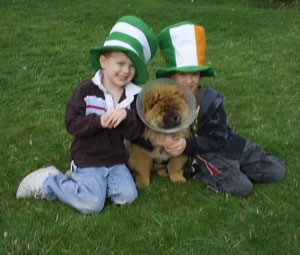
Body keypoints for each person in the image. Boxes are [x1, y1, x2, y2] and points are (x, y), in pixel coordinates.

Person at [15, 15, 158, 214]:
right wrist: (99, 121)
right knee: (92, 204)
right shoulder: (86, 91)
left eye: (132, 66)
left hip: (115, 161)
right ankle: (49, 181)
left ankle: (90, 185)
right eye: (120, 63)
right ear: (103, 61)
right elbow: (72, 123)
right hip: (88, 159)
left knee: (128, 196)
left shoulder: (133, 97)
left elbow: (135, 133)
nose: (126, 70)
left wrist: (126, 117)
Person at [154, 22, 285, 197]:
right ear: (172, 76)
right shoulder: (164, 103)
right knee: (242, 187)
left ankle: (236, 165)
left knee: (276, 170)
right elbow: (153, 131)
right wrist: (180, 145)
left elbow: (219, 137)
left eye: (194, 74)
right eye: (182, 74)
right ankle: (200, 171)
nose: (189, 80)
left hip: (225, 142)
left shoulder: (212, 100)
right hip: (200, 153)